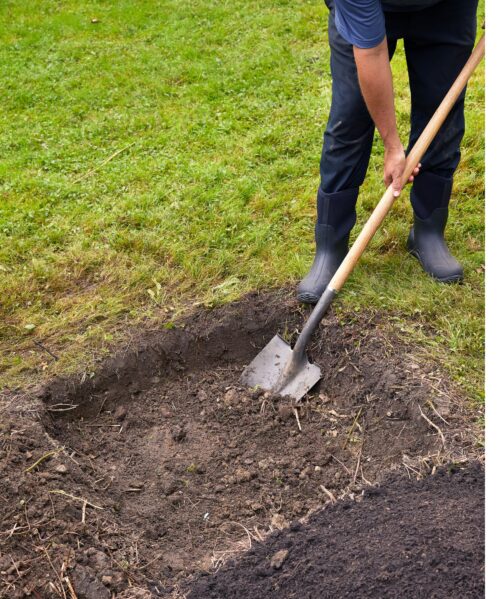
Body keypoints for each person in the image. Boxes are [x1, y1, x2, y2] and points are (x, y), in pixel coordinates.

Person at [297, 0, 479, 305]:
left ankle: (428, 231)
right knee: (351, 114)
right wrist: (393, 146)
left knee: (442, 111)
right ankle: (331, 246)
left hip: (447, 8)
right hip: (368, 8)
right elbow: (371, 51)